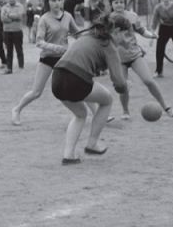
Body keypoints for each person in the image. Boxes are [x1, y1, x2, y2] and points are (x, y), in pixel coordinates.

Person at [51, 14, 131, 165]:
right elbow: (119, 83)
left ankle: (69, 156)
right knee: (107, 100)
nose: (127, 39)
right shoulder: (109, 45)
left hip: (56, 78)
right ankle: (92, 143)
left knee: (80, 114)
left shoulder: (87, 35)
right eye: (126, 35)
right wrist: (125, 86)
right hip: (76, 79)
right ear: (118, 31)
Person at [11, 0, 79, 125]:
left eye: (59, 0)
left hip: (64, 58)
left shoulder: (68, 16)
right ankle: (17, 110)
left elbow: (77, 34)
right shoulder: (44, 19)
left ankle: (97, 113)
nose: (57, 3)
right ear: (48, 2)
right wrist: (54, 47)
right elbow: (39, 42)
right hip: (48, 59)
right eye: (53, 0)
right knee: (36, 92)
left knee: (79, 85)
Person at [110, 0, 173, 119]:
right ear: (111, 4)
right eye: (116, 2)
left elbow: (141, 30)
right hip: (118, 58)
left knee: (149, 80)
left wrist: (151, 35)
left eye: (121, 2)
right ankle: (125, 112)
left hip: (134, 55)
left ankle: (166, 107)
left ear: (125, 3)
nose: (119, 5)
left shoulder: (132, 16)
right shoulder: (107, 18)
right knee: (123, 87)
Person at [1, 0, 26, 74]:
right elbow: (3, 19)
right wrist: (13, 17)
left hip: (17, 31)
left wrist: (9, 15)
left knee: (19, 49)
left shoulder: (20, 6)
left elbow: (19, 16)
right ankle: (9, 68)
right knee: (9, 50)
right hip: (7, 32)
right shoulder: (4, 7)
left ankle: (21, 66)